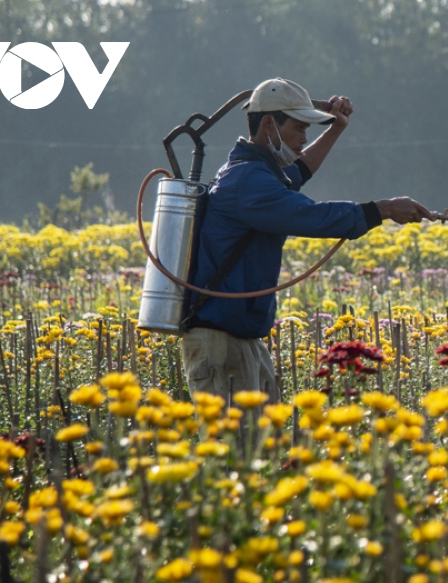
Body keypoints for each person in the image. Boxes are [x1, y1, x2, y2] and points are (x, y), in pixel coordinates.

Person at [180, 77, 435, 400]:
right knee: (234, 448)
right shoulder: (246, 181)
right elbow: (310, 216)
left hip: (242, 339)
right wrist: (382, 209)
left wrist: (336, 128)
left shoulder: (256, 172)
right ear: (269, 125)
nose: (303, 139)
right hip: (220, 343)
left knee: (262, 448)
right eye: (299, 129)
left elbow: (297, 173)